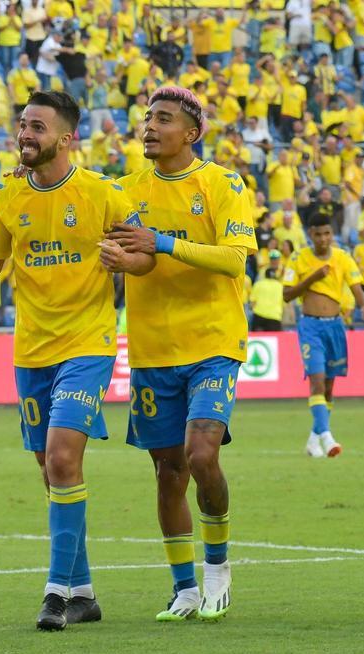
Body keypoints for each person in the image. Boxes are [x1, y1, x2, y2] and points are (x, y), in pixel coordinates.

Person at [0, 91, 149, 631]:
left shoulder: (101, 194)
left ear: (66, 138)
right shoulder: (7, 192)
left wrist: (126, 260)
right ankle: (85, 590)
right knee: (50, 469)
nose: (25, 135)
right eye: (23, 125)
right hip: (30, 351)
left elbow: (146, 254)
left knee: (63, 459)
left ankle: (56, 594)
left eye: (37, 127)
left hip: (87, 346)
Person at [104, 86, 257, 622]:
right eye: (147, 118)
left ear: (191, 134)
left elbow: (235, 261)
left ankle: (218, 569)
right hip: (151, 348)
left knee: (201, 455)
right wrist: (120, 258)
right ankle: (184, 589)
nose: (149, 127)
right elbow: (137, 259)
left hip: (214, 341)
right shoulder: (124, 192)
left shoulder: (222, 183)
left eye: (163, 119)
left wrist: (161, 243)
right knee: (169, 472)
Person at [282, 213, 364, 459]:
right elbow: (287, 295)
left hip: (335, 327)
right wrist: (313, 277)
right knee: (317, 382)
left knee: (330, 387)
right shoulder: (299, 258)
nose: (323, 239)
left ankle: (313, 438)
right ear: (310, 234)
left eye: (327, 233)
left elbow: (356, 286)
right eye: (318, 234)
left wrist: (363, 304)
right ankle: (327, 436)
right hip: (311, 327)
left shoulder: (342, 257)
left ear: (332, 234)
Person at [250, 252, 285, 331]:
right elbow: (284, 303)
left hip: (259, 315)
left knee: (257, 340)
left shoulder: (258, 284)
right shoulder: (280, 286)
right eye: (272, 259)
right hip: (275, 316)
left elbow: (252, 303)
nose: (274, 261)